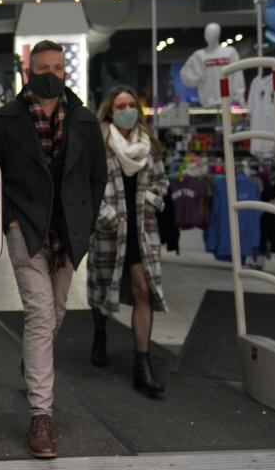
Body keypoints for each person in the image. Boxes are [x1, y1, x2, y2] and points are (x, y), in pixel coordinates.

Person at [0, 40, 107, 459]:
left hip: (69, 231)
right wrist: (10, 221)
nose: (50, 74)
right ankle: (42, 416)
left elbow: (96, 178)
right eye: (42, 67)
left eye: (56, 67)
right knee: (40, 315)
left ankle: (33, 367)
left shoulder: (85, 122)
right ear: (28, 70)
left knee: (55, 313)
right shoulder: (3, 121)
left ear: (65, 70)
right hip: (27, 228)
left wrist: (86, 224)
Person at [88, 86, 169, 399]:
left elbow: (162, 181)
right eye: (120, 105)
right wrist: (104, 215)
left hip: (142, 231)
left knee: (142, 291)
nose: (127, 109)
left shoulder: (149, 144)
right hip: (110, 230)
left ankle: (142, 365)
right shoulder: (100, 142)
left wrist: (151, 199)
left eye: (131, 104)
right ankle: (99, 332)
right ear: (110, 110)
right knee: (101, 288)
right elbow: (88, 184)